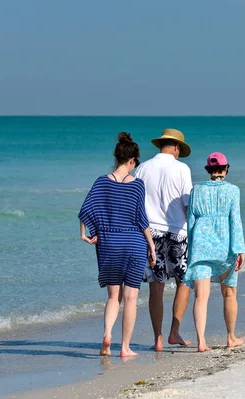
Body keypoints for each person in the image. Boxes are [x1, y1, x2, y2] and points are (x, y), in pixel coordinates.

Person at [78, 132, 156, 357]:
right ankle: (125, 347)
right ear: (131, 160)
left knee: (113, 297)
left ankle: (107, 336)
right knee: (131, 298)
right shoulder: (137, 185)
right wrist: (151, 246)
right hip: (133, 243)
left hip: (109, 243)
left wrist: (85, 234)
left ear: (117, 158)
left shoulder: (102, 181)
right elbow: (142, 219)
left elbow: (86, 209)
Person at [135, 128, 193, 351]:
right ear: (177, 147)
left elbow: (136, 203)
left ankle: (157, 338)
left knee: (156, 286)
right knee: (184, 281)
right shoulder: (181, 169)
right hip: (178, 231)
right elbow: (187, 205)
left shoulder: (142, 168)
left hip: (150, 233)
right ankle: (174, 333)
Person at [183, 152, 245, 352]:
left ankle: (201, 342)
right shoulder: (233, 190)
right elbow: (235, 220)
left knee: (201, 296)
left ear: (208, 170)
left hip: (201, 247)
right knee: (229, 293)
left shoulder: (196, 190)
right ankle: (231, 337)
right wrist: (240, 249)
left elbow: (190, 221)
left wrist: (191, 249)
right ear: (226, 168)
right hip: (225, 247)